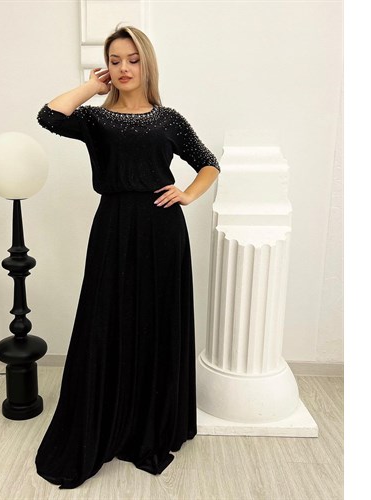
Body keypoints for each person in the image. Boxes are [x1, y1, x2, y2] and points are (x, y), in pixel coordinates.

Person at [35, 24, 220, 489]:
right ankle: (108, 417)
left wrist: (187, 194)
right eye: (114, 60)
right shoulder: (96, 120)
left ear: (147, 63)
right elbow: (49, 116)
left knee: (156, 321)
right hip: (114, 229)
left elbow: (209, 163)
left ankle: (151, 422)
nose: (123, 68)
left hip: (162, 231)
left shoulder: (169, 119)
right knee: (108, 320)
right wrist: (90, 87)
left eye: (132, 60)